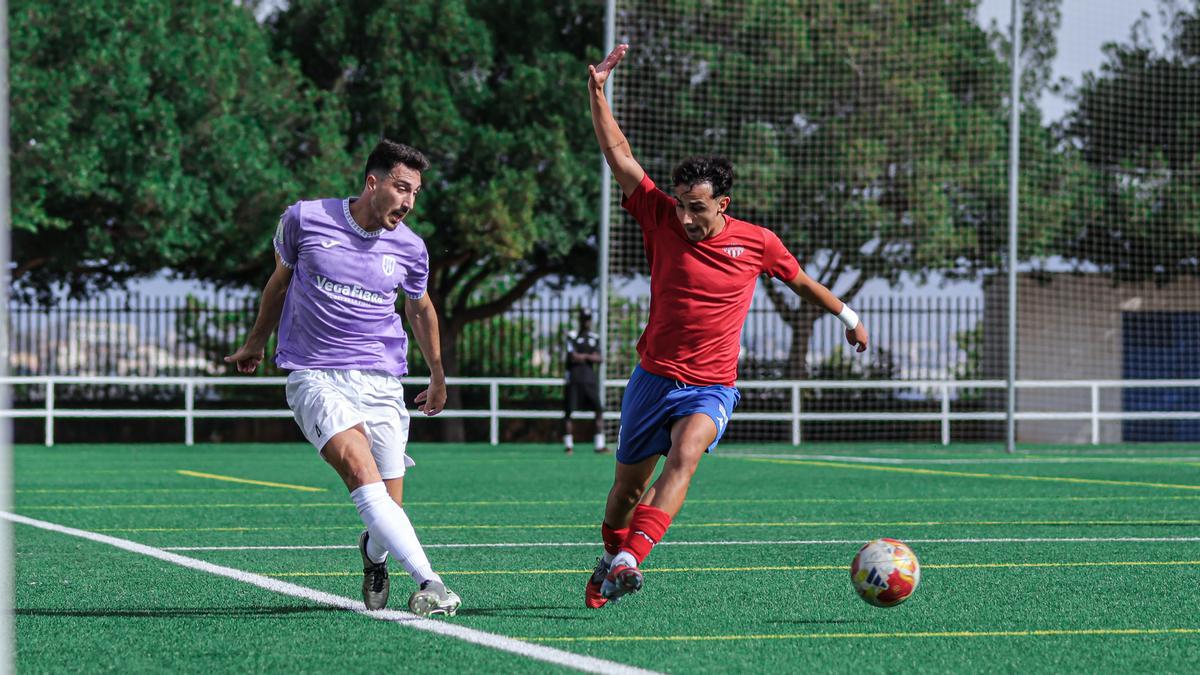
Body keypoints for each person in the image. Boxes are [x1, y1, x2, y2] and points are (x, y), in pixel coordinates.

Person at [582, 45, 871, 608]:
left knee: (687, 454)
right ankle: (612, 553)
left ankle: (631, 559)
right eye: (681, 205)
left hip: (712, 384)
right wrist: (597, 93)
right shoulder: (659, 215)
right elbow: (618, 154)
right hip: (652, 378)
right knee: (624, 493)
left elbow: (803, 283)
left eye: (697, 207)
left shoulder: (757, 242)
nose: (685, 217)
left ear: (724, 204)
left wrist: (850, 318)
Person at [224, 140, 461, 617]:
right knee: (359, 470)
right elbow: (279, 282)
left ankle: (373, 556)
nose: (409, 201)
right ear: (372, 183)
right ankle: (432, 582)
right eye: (401, 188)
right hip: (315, 375)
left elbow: (420, 308)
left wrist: (437, 375)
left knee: (387, 513)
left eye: (415, 192)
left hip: (382, 383)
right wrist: (256, 342)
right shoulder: (305, 219)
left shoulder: (412, 247)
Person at [563, 307, 607, 455]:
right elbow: (572, 356)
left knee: (599, 410)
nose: (586, 322)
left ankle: (599, 444)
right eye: (583, 319)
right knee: (569, 411)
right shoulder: (572, 335)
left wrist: (583, 356)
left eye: (588, 319)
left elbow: (600, 358)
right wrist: (589, 356)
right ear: (580, 320)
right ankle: (569, 445)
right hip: (574, 379)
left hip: (589, 379)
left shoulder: (595, 337)